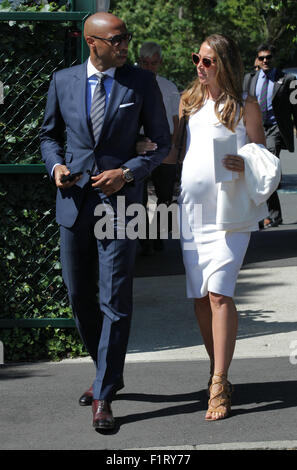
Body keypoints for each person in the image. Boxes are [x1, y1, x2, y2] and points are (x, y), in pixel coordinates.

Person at [40, 12, 171, 431]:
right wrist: (56, 166)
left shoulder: (142, 83)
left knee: (115, 299)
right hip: (73, 203)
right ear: (91, 42)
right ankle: (106, 373)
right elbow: (47, 136)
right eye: (116, 40)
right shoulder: (63, 81)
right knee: (80, 294)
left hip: (122, 205)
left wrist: (128, 172)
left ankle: (104, 393)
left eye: (126, 38)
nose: (124, 46)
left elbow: (161, 143)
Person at [178, 34, 268, 421]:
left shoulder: (245, 105)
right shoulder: (189, 101)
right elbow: (172, 152)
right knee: (200, 297)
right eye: (197, 58)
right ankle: (220, 372)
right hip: (191, 215)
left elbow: (263, 154)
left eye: (209, 61)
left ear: (225, 65)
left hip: (229, 216)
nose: (200, 65)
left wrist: (243, 161)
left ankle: (218, 381)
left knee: (219, 294)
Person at [243, 43, 297, 228]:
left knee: (267, 169)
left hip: (275, 129)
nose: (265, 61)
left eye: (269, 57)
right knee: (255, 172)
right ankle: (265, 215)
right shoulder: (249, 79)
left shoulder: (288, 80)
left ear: (274, 59)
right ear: (257, 60)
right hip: (254, 128)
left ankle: (270, 215)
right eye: (262, 58)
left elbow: (295, 108)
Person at [137, 41, 180, 253]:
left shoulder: (169, 87)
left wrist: (175, 146)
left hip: (165, 142)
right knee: (140, 195)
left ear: (160, 63)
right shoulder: (130, 84)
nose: (149, 67)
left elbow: (177, 119)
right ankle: (145, 237)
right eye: (144, 63)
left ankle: (159, 234)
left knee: (164, 194)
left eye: (153, 63)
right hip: (141, 143)